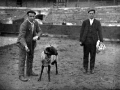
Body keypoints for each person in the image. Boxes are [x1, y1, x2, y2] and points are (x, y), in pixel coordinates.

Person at [17, 10, 42, 82]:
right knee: (22, 59)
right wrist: (25, 46)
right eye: (30, 16)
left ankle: (29, 72)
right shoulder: (24, 24)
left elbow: (40, 31)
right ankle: (21, 75)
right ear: (27, 16)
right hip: (23, 44)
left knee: (30, 57)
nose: (32, 17)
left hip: (31, 43)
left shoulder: (36, 23)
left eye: (34, 16)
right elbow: (21, 37)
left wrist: (37, 36)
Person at [79, 9, 103, 74]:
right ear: (88, 14)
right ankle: (85, 68)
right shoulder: (85, 22)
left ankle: (92, 69)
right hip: (86, 42)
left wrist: (101, 41)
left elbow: (100, 32)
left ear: (94, 14)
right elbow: (82, 31)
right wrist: (81, 40)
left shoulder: (97, 22)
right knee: (85, 56)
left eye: (92, 13)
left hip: (94, 42)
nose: (91, 14)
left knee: (93, 56)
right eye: (90, 13)